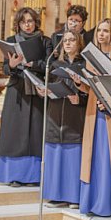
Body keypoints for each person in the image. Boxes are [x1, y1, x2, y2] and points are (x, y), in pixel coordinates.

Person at [0, 8, 51, 187]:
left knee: (35, 132)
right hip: (17, 90)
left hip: (36, 90)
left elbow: (50, 65)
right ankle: (13, 174)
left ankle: (34, 176)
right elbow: (4, 69)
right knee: (14, 132)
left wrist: (33, 64)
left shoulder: (44, 41)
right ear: (18, 24)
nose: (27, 24)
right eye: (23, 21)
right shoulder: (11, 41)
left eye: (30, 21)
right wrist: (11, 65)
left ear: (36, 22)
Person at [77, 18, 111, 216]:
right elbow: (88, 86)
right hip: (93, 107)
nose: (102, 35)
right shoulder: (91, 56)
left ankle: (109, 203)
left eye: (106, 31)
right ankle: (92, 200)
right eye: (99, 31)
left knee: (110, 153)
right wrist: (79, 81)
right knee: (93, 154)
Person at [41, 31, 87, 208]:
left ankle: (73, 196)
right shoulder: (54, 64)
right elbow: (50, 85)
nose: (67, 43)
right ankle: (55, 195)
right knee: (56, 155)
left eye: (72, 40)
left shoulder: (84, 64)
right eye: (65, 41)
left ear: (79, 42)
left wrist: (80, 98)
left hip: (74, 116)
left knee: (71, 157)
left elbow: (90, 92)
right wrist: (45, 91)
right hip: (55, 114)